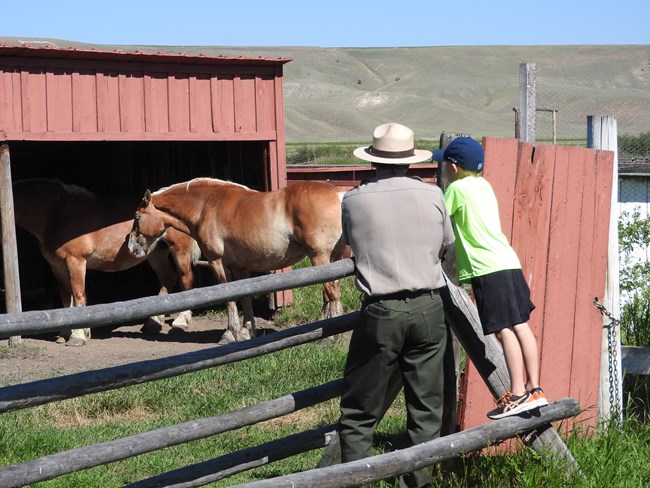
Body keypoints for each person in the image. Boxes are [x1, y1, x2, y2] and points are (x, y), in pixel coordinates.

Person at [337, 122, 455, 488]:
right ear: (409, 162)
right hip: (428, 307)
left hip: (380, 311)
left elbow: (349, 246)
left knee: (359, 412)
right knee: (425, 409)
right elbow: (446, 242)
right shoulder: (433, 195)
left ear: (373, 161)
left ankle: (355, 481)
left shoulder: (354, 200)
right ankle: (416, 482)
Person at [431, 137, 548, 420]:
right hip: (508, 262)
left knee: (503, 330)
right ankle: (535, 389)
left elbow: (439, 220)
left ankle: (517, 393)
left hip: (487, 269)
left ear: (454, 168)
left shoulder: (456, 189)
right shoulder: (485, 185)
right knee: (520, 325)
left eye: (445, 164)